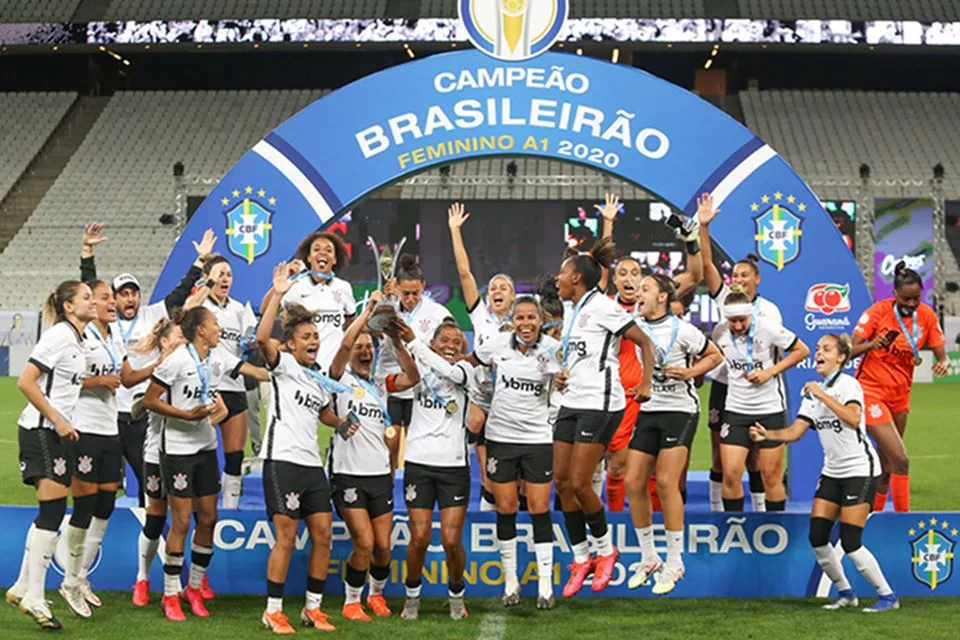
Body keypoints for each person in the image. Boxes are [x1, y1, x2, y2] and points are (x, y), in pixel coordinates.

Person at [750, 334, 900, 613]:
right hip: (833, 472)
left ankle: (888, 596)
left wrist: (822, 395)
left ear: (841, 358)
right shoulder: (813, 392)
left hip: (860, 469)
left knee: (852, 542)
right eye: (818, 349)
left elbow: (854, 418)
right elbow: (795, 432)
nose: (818, 353)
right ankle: (846, 593)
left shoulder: (848, 384)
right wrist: (767, 434)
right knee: (817, 536)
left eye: (826, 349)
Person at [254, 263, 361, 634]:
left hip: (312, 466)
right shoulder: (281, 364)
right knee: (285, 537)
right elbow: (260, 337)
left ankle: (312, 609)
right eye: (306, 337)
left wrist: (341, 423)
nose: (314, 341)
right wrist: (278, 294)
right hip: (280, 461)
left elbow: (325, 414)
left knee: (323, 536)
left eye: (316, 336)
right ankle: (273, 610)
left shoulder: (319, 379)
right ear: (291, 343)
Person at [79, 223, 216, 508]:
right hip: (107, 412)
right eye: (123, 294)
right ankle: (98, 531)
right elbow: (89, 290)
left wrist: (200, 260)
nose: (130, 298)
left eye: (134, 293)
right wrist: (87, 253)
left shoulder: (152, 314)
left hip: (138, 413)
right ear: (114, 298)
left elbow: (180, 292)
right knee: (102, 483)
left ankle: (145, 525)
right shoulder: (108, 325)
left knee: (148, 478)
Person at [553, 237, 656, 598]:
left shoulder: (602, 307)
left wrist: (645, 381)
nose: (557, 279)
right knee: (562, 484)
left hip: (602, 402)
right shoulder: (572, 309)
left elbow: (645, 342)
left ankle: (606, 550)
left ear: (578, 279)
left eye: (563, 274)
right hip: (572, 400)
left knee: (582, 484)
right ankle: (581, 558)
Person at [56, 279, 161, 618]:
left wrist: (161, 365)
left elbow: (128, 378)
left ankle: (81, 576)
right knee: (85, 507)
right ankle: (69, 580)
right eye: (104, 299)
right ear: (93, 304)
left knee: (104, 505)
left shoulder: (113, 335)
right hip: (82, 428)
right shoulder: (78, 337)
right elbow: (60, 379)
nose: (112, 304)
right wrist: (97, 382)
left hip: (108, 429)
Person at [601, 195, 704, 512]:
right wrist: (608, 222)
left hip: (656, 397)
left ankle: (660, 529)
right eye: (623, 273)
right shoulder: (605, 306)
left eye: (635, 273)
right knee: (618, 469)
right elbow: (601, 264)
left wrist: (692, 243)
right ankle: (617, 526)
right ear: (615, 280)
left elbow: (695, 277)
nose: (629, 277)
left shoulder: (652, 299)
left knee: (658, 474)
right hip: (621, 397)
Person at [5, 281, 95, 630]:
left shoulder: (77, 337)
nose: (92, 301)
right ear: (69, 307)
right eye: (86, 297)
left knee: (51, 511)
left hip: (57, 433)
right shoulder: (58, 335)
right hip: (42, 430)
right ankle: (35, 597)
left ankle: (23, 585)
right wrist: (57, 419)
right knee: (54, 511)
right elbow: (26, 382)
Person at [624, 275, 722, 595]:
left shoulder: (683, 329)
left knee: (666, 482)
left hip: (681, 411)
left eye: (646, 288)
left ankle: (675, 561)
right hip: (650, 410)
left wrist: (691, 373)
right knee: (633, 481)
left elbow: (715, 356)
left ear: (663, 297)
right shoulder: (634, 324)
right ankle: (649, 557)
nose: (640, 292)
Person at [328, 296, 419, 622]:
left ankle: (376, 596)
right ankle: (351, 601)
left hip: (380, 475)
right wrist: (366, 314)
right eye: (359, 347)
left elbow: (413, 378)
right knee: (364, 543)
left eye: (369, 347)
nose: (364, 351)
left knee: (383, 546)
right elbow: (341, 348)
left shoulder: (381, 384)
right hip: (348, 474)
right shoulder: (339, 380)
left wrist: (396, 342)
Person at [143, 307, 233, 622]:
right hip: (177, 449)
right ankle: (170, 594)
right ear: (200, 331)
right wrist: (186, 416)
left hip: (206, 446)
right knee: (181, 521)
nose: (219, 328)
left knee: (208, 518)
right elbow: (149, 400)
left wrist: (213, 415)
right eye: (215, 324)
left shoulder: (217, 360)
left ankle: (193, 588)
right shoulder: (178, 360)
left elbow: (217, 397)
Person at [474, 296, 562, 610]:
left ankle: (545, 587)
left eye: (531, 318)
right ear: (512, 320)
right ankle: (511, 583)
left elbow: (565, 381)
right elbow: (474, 362)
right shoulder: (497, 345)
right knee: (506, 507)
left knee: (539, 507)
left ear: (541, 321)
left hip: (537, 438)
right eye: (520, 318)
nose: (526, 323)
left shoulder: (553, 351)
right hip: (500, 437)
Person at [698, 194, 783, 512]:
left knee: (760, 457)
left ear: (757, 279)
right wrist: (704, 228)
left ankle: (761, 511)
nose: (739, 280)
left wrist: (767, 375)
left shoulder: (770, 310)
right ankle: (717, 512)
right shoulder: (724, 301)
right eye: (735, 276)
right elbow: (706, 265)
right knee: (721, 453)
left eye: (745, 276)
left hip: (760, 389)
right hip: (725, 386)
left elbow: (778, 351)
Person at [851, 262, 948, 512]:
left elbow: (940, 353)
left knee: (887, 466)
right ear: (894, 294)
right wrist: (871, 345)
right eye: (907, 298)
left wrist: (944, 362)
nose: (912, 303)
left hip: (900, 397)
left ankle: (875, 518)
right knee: (901, 460)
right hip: (871, 392)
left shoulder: (926, 315)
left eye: (916, 298)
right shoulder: (877, 312)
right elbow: (849, 350)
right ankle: (904, 521)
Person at [395, 319, 474, 621]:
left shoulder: (466, 370)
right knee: (420, 537)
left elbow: (450, 372)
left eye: (457, 341)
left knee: (451, 541)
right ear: (433, 344)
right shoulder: (420, 367)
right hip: (418, 462)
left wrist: (415, 342)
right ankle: (412, 596)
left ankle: (456, 594)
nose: (452, 345)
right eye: (445, 340)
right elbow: (404, 360)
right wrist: (396, 338)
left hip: (453, 466)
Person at [712, 290, 809, 512]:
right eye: (732, 321)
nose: (737, 326)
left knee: (771, 476)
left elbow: (801, 350)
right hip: (736, 408)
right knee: (731, 474)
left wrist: (770, 372)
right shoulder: (719, 332)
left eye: (741, 320)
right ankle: (734, 528)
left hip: (769, 408)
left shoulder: (768, 328)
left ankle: (776, 527)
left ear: (750, 314)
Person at [448, 202, 516, 513]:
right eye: (493, 288)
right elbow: (464, 272)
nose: (497, 290)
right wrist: (455, 231)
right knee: (490, 474)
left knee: (514, 478)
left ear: (513, 296)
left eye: (504, 287)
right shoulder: (481, 319)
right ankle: (485, 516)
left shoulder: (526, 325)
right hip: (482, 401)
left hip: (513, 403)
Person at [129, 318, 185, 607]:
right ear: (164, 341)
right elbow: (137, 409)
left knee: (187, 516)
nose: (183, 339)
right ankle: (142, 578)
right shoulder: (156, 369)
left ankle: (185, 583)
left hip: (187, 453)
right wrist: (155, 396)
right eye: (178, 335)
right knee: (156, 515)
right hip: (156, 453)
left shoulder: (193, 364)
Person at [377, 253, 452, 465]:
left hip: (421, 388)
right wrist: (382, 303)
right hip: (389, 384)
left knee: (413, 450)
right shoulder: (386, 306)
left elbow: (457, 342)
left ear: (424, 286)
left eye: (415, 293)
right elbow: (368, 330)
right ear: (396, 287)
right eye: (405, 293)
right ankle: (387, 496)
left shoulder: (437, 312)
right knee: (389, 449)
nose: (410, 299)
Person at [197, 255, 258, 509]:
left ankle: (230, 507)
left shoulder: (239, 309)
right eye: (220, 274)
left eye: (229, 275)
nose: (225, 279)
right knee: (201, 452)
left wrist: (251, 344)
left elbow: (247, 345)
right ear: (207, 278)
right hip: (208, 388)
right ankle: (199, 505)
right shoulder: (200, 309)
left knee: (235, 454)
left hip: (234, 386)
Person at [260, 230, 355, 371]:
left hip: (334, 370)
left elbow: (351, 323)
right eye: (316, 249)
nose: (322, 253)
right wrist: (281, 284)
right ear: (309, 258)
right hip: (302, 369)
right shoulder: (295, 285)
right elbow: (264, 310)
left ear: (335, 259)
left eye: (328, 250)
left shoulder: (344, 287)